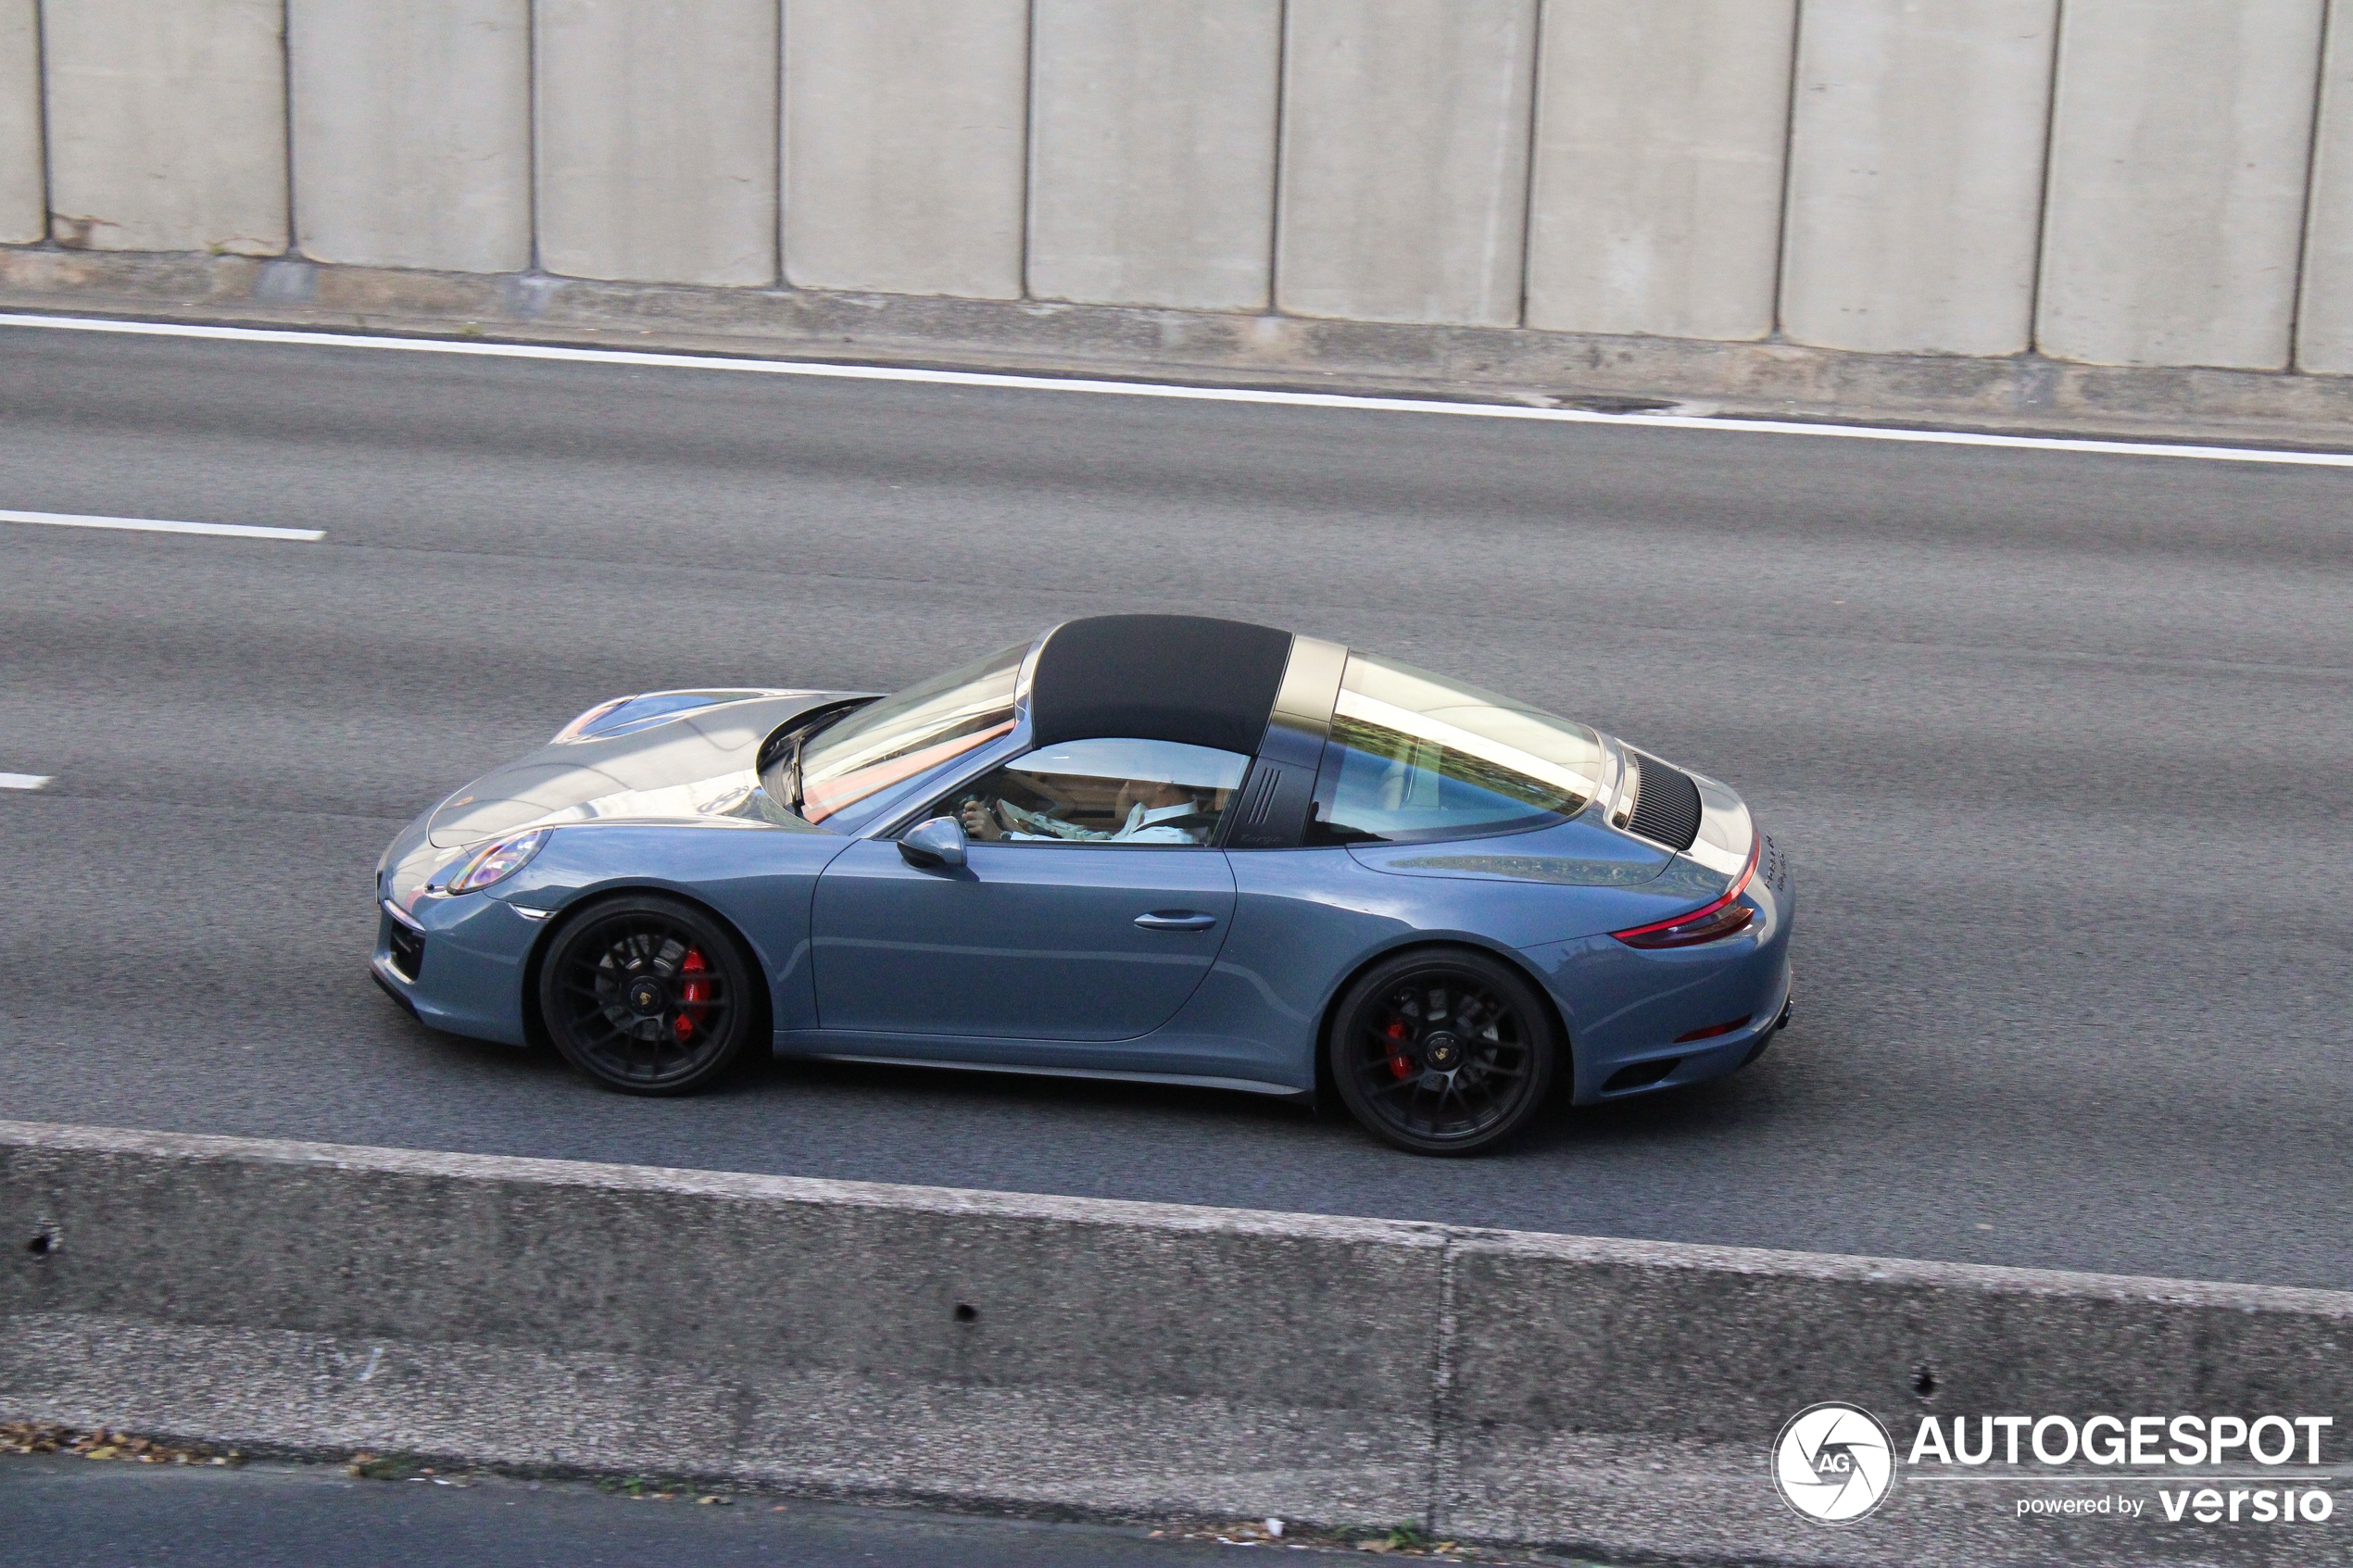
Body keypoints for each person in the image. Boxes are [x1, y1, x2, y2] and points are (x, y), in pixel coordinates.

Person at [960, 776, 1212, 845]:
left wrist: (1002, 837)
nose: (1126, 775)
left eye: (1137, 768)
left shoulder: (1162, 838)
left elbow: (1083, 861)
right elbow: (1122, 825)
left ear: (1162, 782)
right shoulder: (1162, 808)